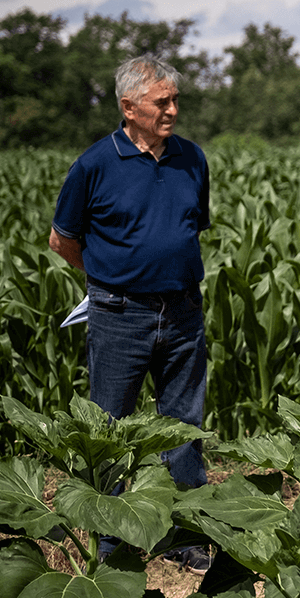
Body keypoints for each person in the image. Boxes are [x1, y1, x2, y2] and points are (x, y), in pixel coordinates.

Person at [49, 55, 212, 569]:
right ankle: (111, 544)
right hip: (120, 313)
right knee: (109, 427)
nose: (173, 110)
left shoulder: (191, 159)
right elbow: (63, 239)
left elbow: (191, 227)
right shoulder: (95, 164)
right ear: (128, 107)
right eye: (161, 102)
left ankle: (183, 536)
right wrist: (107, 279)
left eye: (175, 100)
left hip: (184, 310)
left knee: (182, 424)